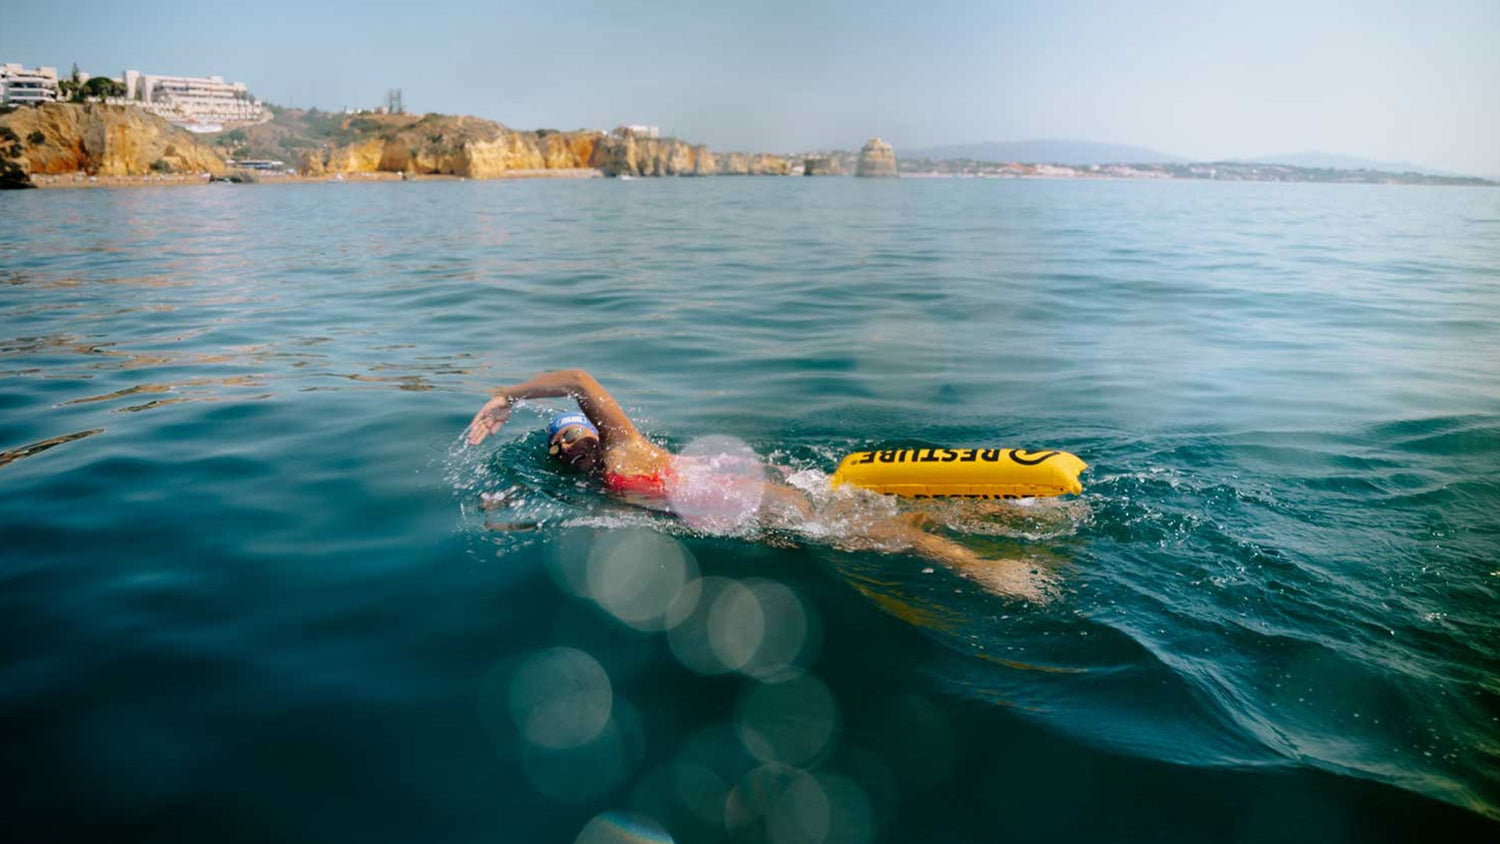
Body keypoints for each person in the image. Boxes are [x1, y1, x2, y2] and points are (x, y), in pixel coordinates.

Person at [467, 368, 1052, 602]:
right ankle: (1003, 514)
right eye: (560, 444)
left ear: (593, 432)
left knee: (883, 535)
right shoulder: (599, 488)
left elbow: (577, 378)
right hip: (746, 512)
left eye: (575, 434)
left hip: (749, 499)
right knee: (865, 523)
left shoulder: (624, 449)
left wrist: (505, 396)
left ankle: (985, 568)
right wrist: (513, 518)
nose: (569, 446)